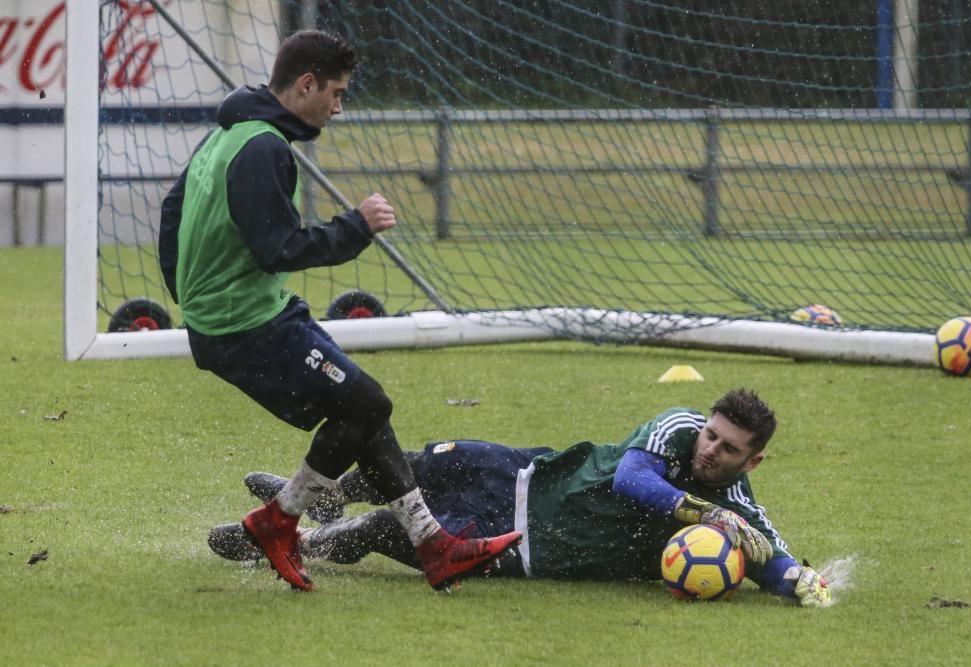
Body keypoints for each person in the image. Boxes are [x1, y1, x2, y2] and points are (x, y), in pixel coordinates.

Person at [158, 29, 521, 592]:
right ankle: (278, 520)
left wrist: (189, 296)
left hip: (251, 315)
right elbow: (279, 248)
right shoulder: (264, 148)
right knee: (366, 404)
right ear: (307, 84)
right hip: (245, 328)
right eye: (337, 92)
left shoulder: (228, 135)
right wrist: (357, 226)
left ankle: (434, 545)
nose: (339, 106)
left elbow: (171, 209)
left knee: (365, 409)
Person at [208, 389, 832, 607]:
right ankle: (317, 499)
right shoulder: (677, 429)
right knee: (416, 463)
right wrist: (704, 511)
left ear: (752, 460)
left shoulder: (740, 510)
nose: (709, 450)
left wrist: (797, 582)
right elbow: (631, 481)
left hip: (526, 552)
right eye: (711, 435)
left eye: (727, 450)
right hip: (528, 476)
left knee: (384, 532)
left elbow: (773, 557)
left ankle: (298, 542)